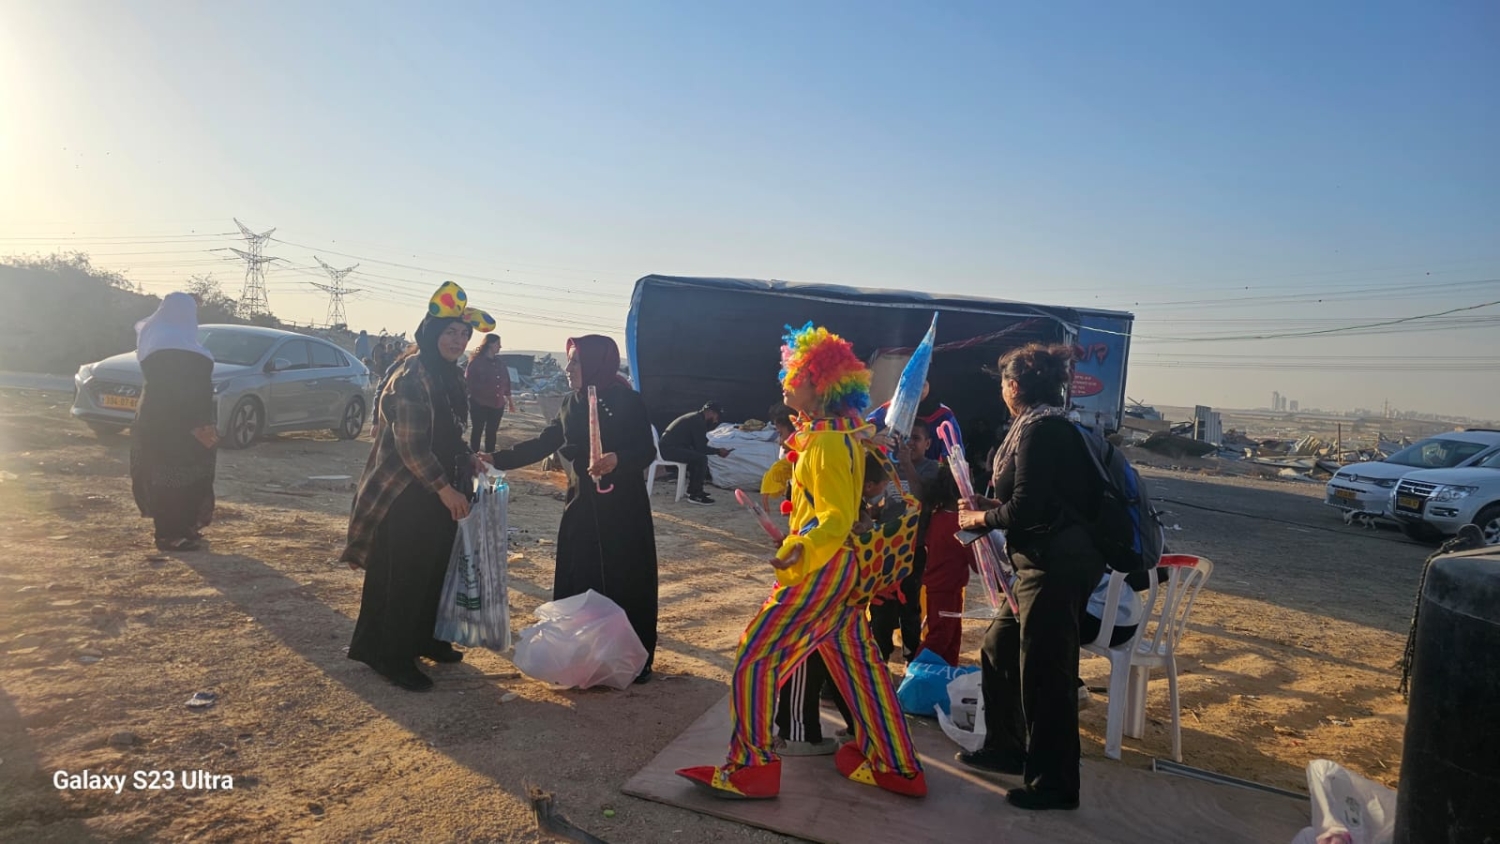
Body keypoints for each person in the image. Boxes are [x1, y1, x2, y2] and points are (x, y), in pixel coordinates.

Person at [677, 322, 925, 800]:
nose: (785, 381)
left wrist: (803, 547)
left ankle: (751, 767)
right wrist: (783, 477)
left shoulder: (828, 441)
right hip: (846, 568)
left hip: (821, 569)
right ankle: (898, 764)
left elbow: (835, 515)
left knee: (755, 657)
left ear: (817, 382)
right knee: (859, 666)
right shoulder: (839, 433)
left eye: (793, 373)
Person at [955, 342, 1106, 811]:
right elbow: (1033, 501)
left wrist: (980, 519)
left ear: (1015, 386)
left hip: (1056, 566)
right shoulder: (1039, 427)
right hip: (1039, 562)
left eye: (1003, 381)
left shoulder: (1043, 431)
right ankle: (1007, 746)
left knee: (1047, 672)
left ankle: (1055, 783)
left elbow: (1028, 510)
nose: (1001, 390)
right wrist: (992, 508)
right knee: (1000, 645)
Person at [342, 282, 493, 692]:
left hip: (438, 488)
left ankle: (425, 637)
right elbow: (411, 446)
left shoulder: (449, 374)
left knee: (433, 569)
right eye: (450, 333)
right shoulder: (411, 375)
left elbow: (451, 429)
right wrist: (446, 490)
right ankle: (388, 654)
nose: (457, 341)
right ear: (431, 332)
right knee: (404, 574)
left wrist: (468, 456)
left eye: (463, 335)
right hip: (407, 492)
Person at [486, 335, 660, 682]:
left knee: (626, 579)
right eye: (569, 361)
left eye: (576, 362)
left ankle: (632, 660)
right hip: (583, 506)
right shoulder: (570, 403)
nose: (568, 369)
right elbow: (544, 443)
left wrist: (618, 459)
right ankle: (584, 657)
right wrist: (495, 458)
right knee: (582, 577)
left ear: (597, 363)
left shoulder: (628, 401)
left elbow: (646, 450)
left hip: (623, 510)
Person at [129, 292, 219, 553]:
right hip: (187, 420)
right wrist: (202, 422)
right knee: (183, 475)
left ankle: (179, 529)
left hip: (153, 418)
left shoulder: (153, 339)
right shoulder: (189, 349)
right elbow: (191, 390)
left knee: (164, 475)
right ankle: (171, 534)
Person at [865, 453, 921, 663]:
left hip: (910, 553)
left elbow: (922, 496)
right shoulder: (885, 468)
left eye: (916, 438)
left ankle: (910, 657)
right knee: (881, 610)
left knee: (909, 608)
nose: (908, 444)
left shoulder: (928, 469)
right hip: (883, 555)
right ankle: (881, 658)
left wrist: (907, 462)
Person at [917, 468, 974, 668]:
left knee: (951, 637)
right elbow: (976, 563)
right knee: (941, 638)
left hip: (944, 588)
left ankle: (946, 676)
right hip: (946, 589)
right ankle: (916, 671)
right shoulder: (958, 523)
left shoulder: (937, 517)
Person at [867, 380, 962, 461]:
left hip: (929, 473)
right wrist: (873, 438)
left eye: (923, 385)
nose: (918, 388)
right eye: (914, 382)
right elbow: (863, 430)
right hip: (892, 471)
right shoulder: (893, 408)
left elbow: (954, 454)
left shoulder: (944, 415)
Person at [659, 401, 731, 505]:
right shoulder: (697, 421)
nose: (716, 421)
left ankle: (693, 490)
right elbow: (701, 448)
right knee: (701, 459)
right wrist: (718, 451)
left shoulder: (695, 418)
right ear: (711, 412)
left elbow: (699, 443)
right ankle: (695, 494)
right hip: (668, 450)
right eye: (717, 417)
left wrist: (716, 449)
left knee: (696, 457)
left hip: (669, 448)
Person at [464, 334, 514, 453]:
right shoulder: (476, 362)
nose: (500, 346)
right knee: (477, 431)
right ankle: (474, 457)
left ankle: (490, 457)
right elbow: (468, 383)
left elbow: (506, 382)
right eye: (498, 344)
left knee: (492, 433)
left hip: (497, 404)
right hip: (479, 403)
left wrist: (510, 402)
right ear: (490, 344)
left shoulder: (500, 363)